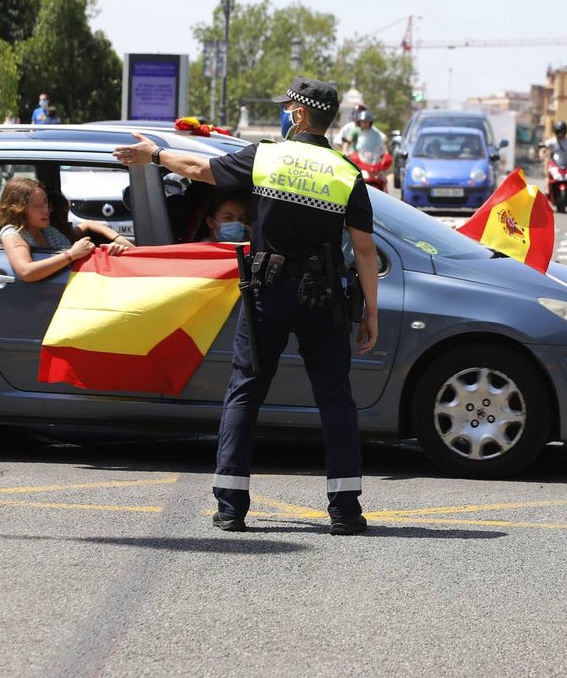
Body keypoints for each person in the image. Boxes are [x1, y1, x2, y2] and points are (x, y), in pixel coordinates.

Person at [112, 75, 379, 536]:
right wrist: (371, 312)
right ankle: (345, 511)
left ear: (298, 115)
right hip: (323, 298)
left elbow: (198, 169)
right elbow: (366, 250)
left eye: (285, 108)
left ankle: (232, 507)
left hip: (268, 292)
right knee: (335, 400)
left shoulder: (266, 156)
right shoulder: (346, 172)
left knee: (245, 393)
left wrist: (153, 154)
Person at [0, 177, 128, 283]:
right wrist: (71, 255)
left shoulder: (48, 231)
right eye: (37, 206)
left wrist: (114, 245)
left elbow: (82, 237)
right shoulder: (12, 235)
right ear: (19, 209)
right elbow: (26, 272)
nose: (46, 210)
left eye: (46, 203)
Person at [46, 189, 135, 250]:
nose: (62, 221)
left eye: (64, 216)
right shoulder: (45, 236)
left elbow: (89, 224)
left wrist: (119, 240)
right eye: (56, 217)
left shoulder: (67, 233)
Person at [540, 120, 567, 200]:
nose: (560, 134)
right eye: (559, 132)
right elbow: (543, 149)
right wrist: (542, 153)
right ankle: (546, 190)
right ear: (556, 132)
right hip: (555, 163)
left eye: (562, 132)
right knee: (548, 174)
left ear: (565, 132)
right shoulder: (551, 141)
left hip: (566, 163)